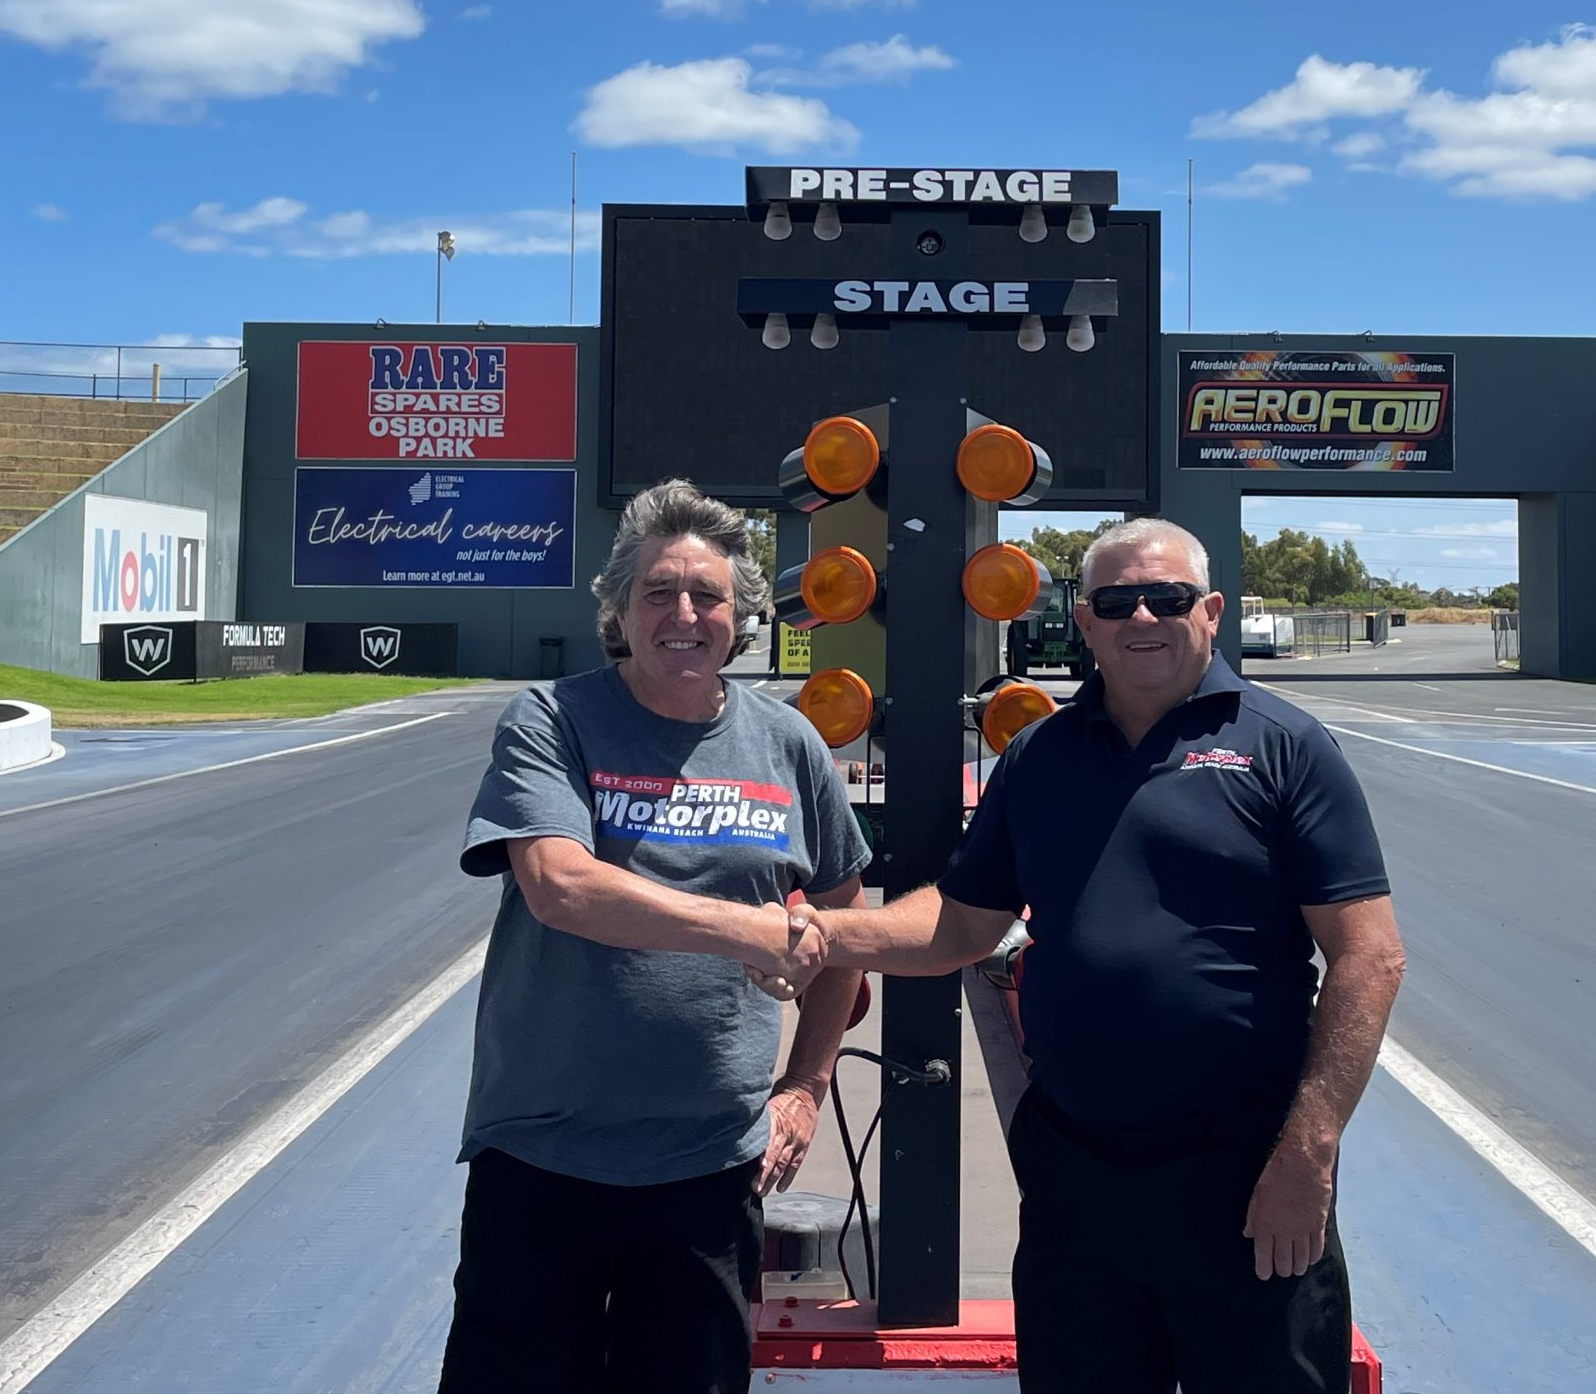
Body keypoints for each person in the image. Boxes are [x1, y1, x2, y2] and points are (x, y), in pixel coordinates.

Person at [800, 517, 1403, 1394]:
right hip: (1078, 1177)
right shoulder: (1040, 755)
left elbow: (1369, 960)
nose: (1143, 618)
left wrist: (1306, 1155)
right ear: (1084, 622)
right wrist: (821, 933)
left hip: (1248, 1174)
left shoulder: (1286, 746)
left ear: (1213, 611)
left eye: (1168, 598)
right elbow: (961, 926)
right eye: (1117, 602)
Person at [440, 480, 870, 1394]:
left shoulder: (791, 744)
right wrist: (753, 931)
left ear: (741, 615)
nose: (685, 614)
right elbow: (562, 888)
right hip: (543, 1154)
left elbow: (845, 933)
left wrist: (804, 1086)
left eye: (707, 595)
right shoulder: (554, 720)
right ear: (619, 612)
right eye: (658, 593)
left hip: (710, 1167)